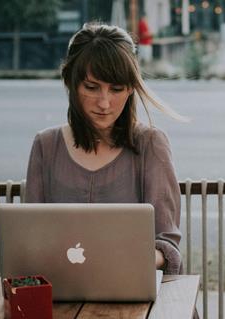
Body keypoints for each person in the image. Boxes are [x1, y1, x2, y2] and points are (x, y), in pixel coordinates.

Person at [24, 23, 184, 275]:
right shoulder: (46, 145)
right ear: (70, 82)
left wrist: (124, 261)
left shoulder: (151, 144)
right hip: (63, 294)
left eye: (117, 89)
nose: (104, 102)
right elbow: (30, 238)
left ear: (130, 88)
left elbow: (167, 247)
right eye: (91, 87)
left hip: (137, 297)